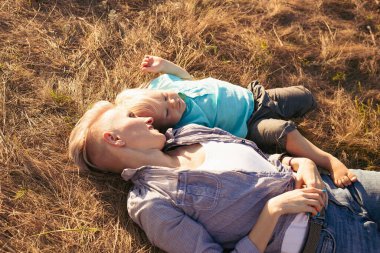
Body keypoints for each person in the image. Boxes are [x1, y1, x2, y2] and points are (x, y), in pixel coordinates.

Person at [68, 101, 380, 253]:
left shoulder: (189, 132)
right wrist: (274, 210)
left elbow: (264, 159)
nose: (148, 117)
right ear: (114, 139)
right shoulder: (152, 204)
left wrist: (299, 162)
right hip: (329, 242)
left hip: (344, 191)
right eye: (132, 117)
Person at [115, 55, 356, 188]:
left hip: (256, 97)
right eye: (168, 112)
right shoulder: (186, 127)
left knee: (304, 96)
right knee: (284, 131)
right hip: (251, 124)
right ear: (165, 125)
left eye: (167, 98)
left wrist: (163, 65)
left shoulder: (164, 86)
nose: (173, 103)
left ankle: (301, 105)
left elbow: (184, 76)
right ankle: (328, 159)